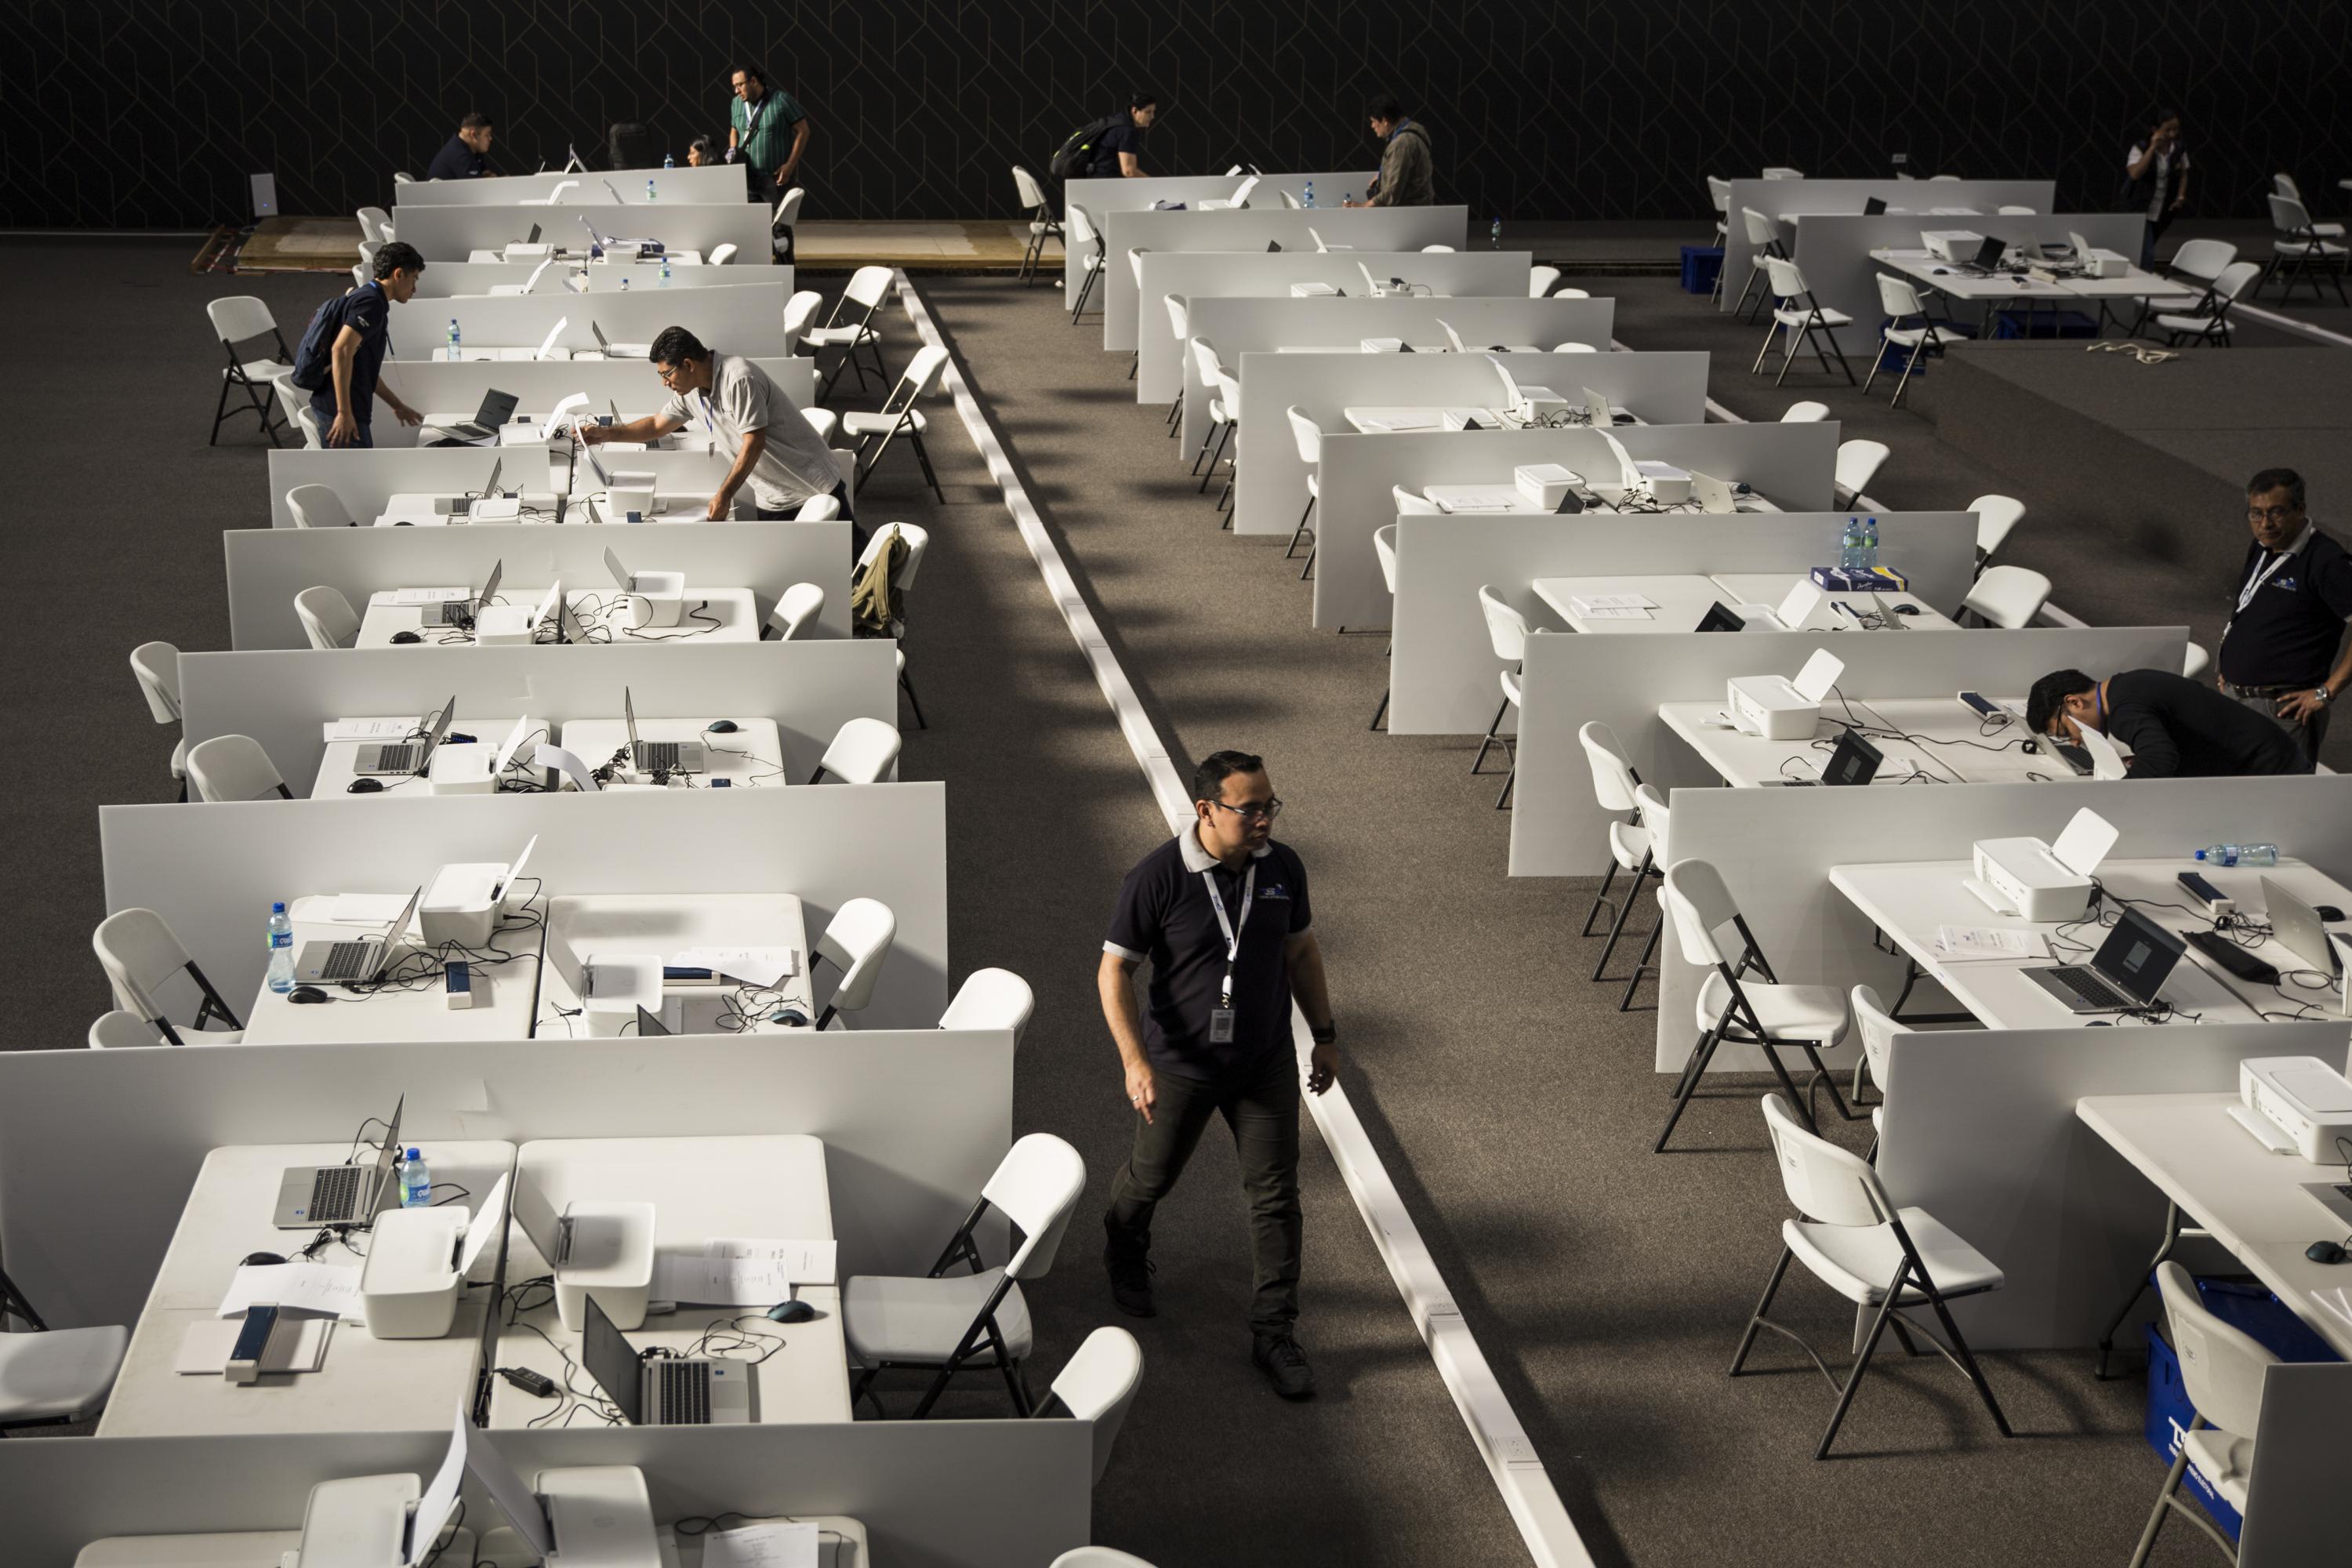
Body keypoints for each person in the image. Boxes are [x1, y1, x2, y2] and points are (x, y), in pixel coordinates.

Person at [1099, 751, 1339, 1400]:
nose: (1264, 819)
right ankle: (1123, 1243)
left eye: (1270, 805)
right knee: (1152, 1177)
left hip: (1263, 1063)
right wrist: (1135, 1062)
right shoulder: (1157, 878)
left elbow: (1301, 951)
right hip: (1179, 1066)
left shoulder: (1283, 868)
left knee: (1275, 1196)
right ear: (1206, 809)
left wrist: (1324, 1036)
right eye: (1250, 808)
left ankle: (1274, 1331)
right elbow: (1114, 971)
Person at [579, 326, 847, 523]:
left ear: (688, 364)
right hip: (772, 497)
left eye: (666, 374)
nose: (664, 382)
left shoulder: (739, 378)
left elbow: (754, 442)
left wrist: (725, 494)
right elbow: (656, 425)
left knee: (859, 573)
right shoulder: (691, 392)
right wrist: (604, 434)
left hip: (810, 487)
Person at [2215, 467, 2352, 768]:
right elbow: (2248, 605)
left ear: (2300, 510)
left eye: (2276, 512)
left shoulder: (2328, 562)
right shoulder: (2263, 546)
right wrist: (2230, 666)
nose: (2265, 524)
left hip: (2283, 710)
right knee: (2232, 796)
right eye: (2256, 513)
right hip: (2236, 699)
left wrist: (2326, 692)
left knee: (2277, 806)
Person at [2026, 667, 2305, 777]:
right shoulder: (2124, 685)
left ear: (2074, 702)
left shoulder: (2124, 711)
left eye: (2066, 730)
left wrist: (2115, 796)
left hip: (2270, 770)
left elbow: (2160, 759)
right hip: (2270, 752)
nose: (2075, 740)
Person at [299, 241, 426, 448]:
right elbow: (341, 350)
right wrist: (344, 413)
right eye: (414, 279)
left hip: (338, 407)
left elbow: (364, 369)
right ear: (399, 274)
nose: (415, 288)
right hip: (341, 412)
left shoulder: (366, 296)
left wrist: (397, 406)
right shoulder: (371, 304)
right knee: (356, 479)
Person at [728, 65, 811, 206]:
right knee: (749, 226)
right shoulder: (736, 103)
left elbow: (804, 131)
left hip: (775, 179)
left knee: (779, 226)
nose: (737, 91)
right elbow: (734, 130)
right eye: (734, 86)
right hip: (746, 181)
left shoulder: (781, 100)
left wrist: (790, 165)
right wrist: (733, 152)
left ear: (753, 81)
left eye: (740, 85)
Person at [2122, 108, 2190, 268]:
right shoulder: (2141, 147)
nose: (2172, 134)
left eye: (2175, 130)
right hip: (2139, 207)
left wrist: (2180, 197)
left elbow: (2184, 174)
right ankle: (2146, 285)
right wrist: (2152, 148)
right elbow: (2135, 174)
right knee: (2147, 253)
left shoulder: (2178, 149)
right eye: (2167, 130)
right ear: (2155, 130)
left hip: (2163, 207)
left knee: (2146, 246)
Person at [1345, 94, 1433, 208]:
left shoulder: (1401, 145)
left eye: (1373, 121)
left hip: (1407, 212)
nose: (1372, 126)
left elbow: (1391, 194)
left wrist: (1362, 207)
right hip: (1422, 206)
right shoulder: (1417, 129)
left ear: (1385, 121)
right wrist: (1385, 173)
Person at [1091, 92, 1158, 178]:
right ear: (1135, 111)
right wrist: (1153, 183)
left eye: (1153, 112)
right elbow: (1129, 171)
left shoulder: (1117, 120)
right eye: (1148, 112)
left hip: (1092, 179)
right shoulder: (1128, 131)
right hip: (1105, 183)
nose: (1152, 116)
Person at [426, 112, 495, 180]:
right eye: (487, 134)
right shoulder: (461, 155)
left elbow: (484, 173)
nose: (490, 138)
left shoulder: (471, 149)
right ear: (473, 135)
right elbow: (476, 188)